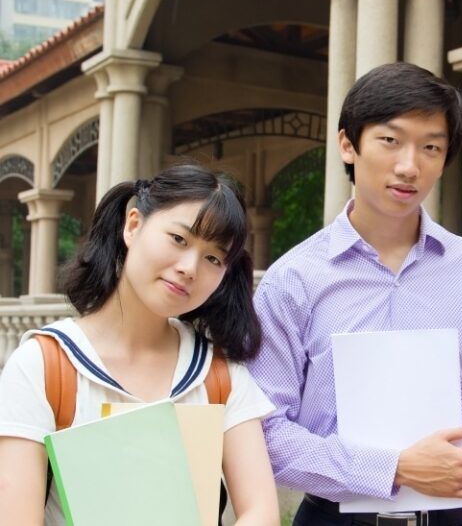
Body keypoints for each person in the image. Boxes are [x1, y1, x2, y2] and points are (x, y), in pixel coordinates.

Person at [248, 62, 462, 526]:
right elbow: (266, 434)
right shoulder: (293, 280)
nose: (409, 165)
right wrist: (394, 468)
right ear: (348, 144)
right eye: (390, 140)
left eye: (431, 148)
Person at [0, 164, 280, 525]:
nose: (190, 267)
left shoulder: (218, 375)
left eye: (213, 258)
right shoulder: (45, 365)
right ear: (133, 225)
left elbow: (260, 511)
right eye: (179, 239)